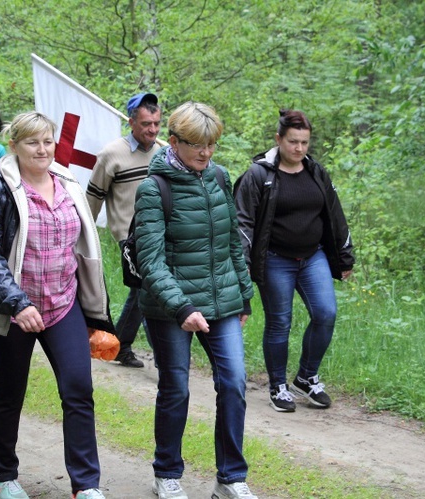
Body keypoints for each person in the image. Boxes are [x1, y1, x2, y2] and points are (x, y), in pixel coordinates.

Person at [0, 111, 113, 499]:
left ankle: (86, 485)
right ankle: (4, 479)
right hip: (14, 311)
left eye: (47, 141)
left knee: (79, 388)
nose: (42, 149)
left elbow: (84, 247)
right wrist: (17, 303)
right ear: (14, 146)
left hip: (64, 304)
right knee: (10, 392)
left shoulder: (67, 182)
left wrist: (95, 305)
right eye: (33, 142)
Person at [134, 102, 258, 499]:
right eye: (197, 145)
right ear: (173, 141)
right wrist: (182, 307)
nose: (206, 153)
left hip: (222, 301)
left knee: (235, 383)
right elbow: (149, 260)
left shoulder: (220, 177)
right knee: (177, 388)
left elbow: (231, 245)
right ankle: (167, 473)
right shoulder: (154, 188)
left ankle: (230, 478)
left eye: (212, 145)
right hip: (170, 307)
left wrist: (243, 296)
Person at [233, 109, 355, 413]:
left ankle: (306, 376)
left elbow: (335, 216)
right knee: (280, 322)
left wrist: (344, 256)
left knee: (326, 313)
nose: (299, 148)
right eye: (292, 142)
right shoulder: (258, 175)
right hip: (275, 259)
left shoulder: (316, 172)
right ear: (278, 139)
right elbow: (242, 221)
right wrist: (243, 262)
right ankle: (278, 385)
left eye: (304, 142)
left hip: (313, 256)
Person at [86, 92, 162, 368]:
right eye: (146, 124)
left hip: (160, 232)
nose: (152, 130)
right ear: (131, 123)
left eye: (156, 123)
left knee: (143, 290)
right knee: (148, 289)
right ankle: (164, 357)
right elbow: (93, 197)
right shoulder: (111, 155)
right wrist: (84, 235)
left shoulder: (163, 153)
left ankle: (120, 344)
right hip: (129, 237)